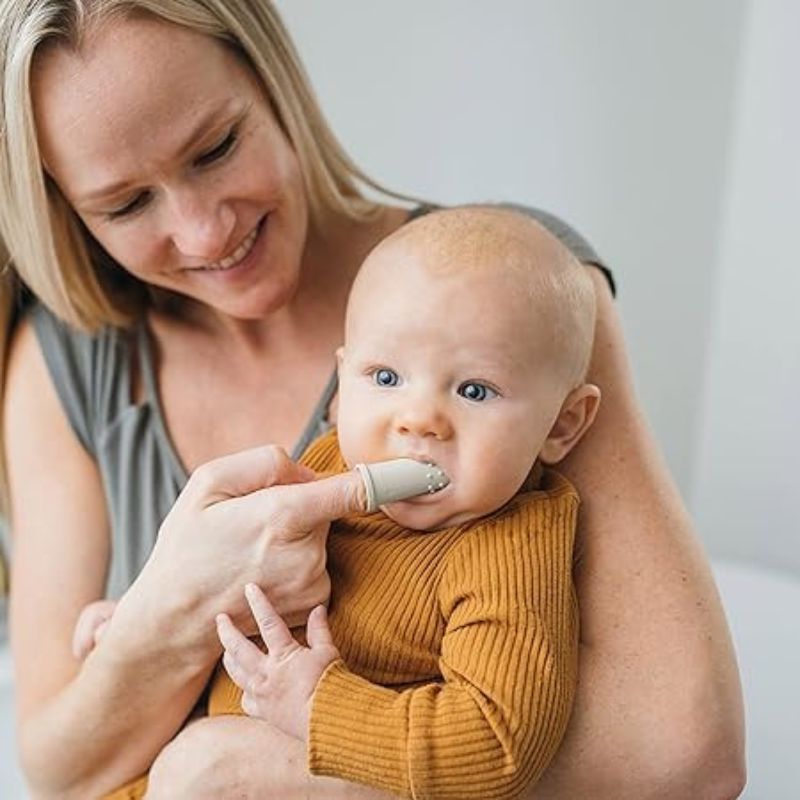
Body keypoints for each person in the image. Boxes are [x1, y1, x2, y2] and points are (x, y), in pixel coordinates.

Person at [0, 2, 744, 799]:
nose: (204, 231)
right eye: (126, 204)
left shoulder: (516, 295)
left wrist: (254, 768)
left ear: (274, 82)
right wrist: (161, 616)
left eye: (215, 149)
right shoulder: (68, 360)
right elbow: (55, 767)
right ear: (63, 206)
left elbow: (689, 750)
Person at [75, 207, 601, 797]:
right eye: (384, 378)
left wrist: (318, 703)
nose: (417, 420)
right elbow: (233, 591)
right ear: (342, 381)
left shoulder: (511, 548)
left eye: (473, 390)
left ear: (562, 424)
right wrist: (141, 619)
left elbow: (497, 743)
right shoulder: (326, 470)